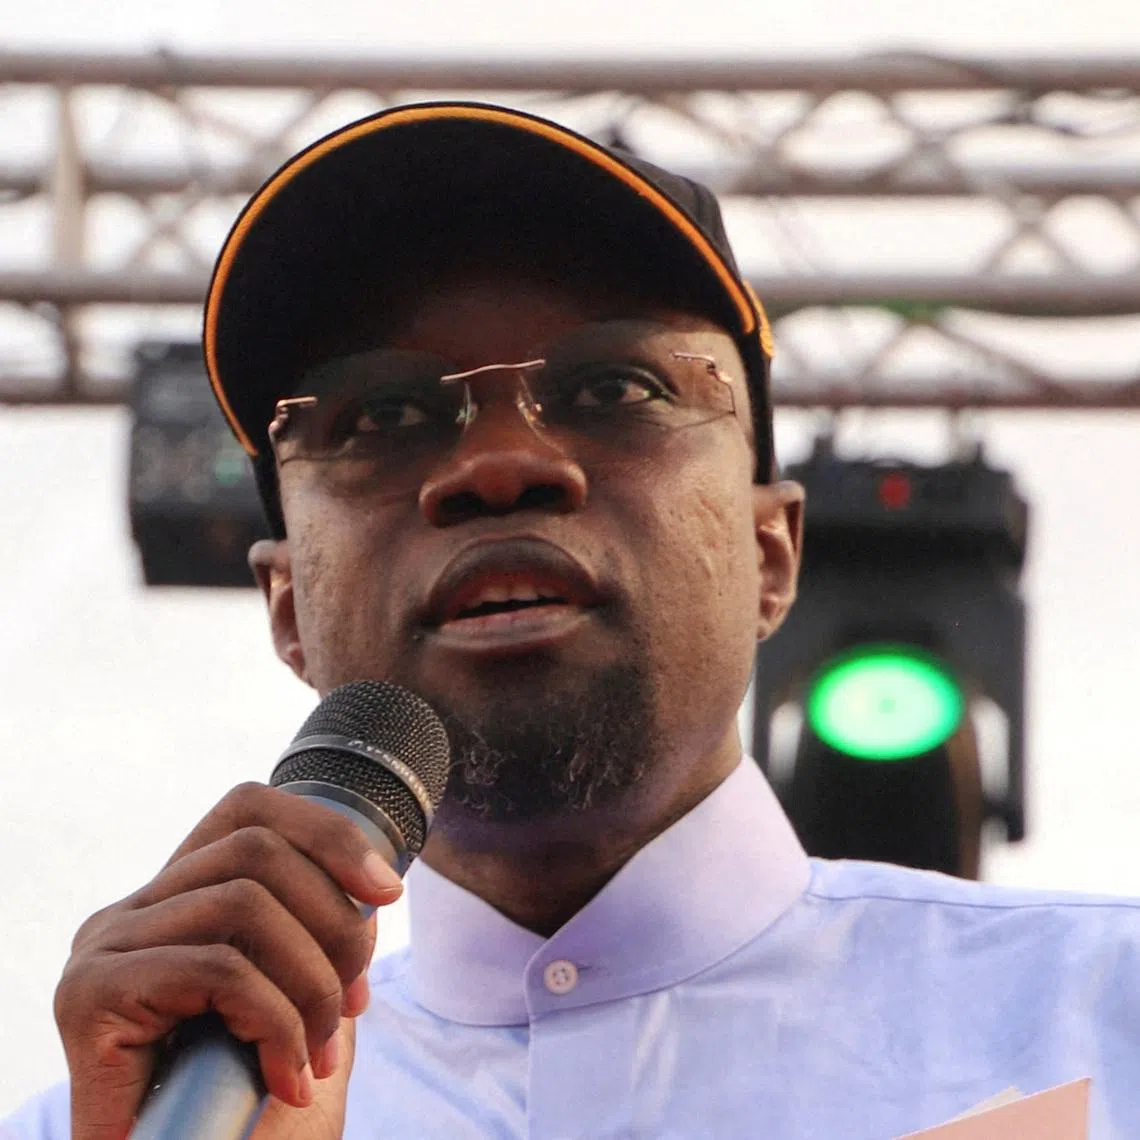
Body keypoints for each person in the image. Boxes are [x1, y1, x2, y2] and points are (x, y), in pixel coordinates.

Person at [4, 102, 1139, 1140]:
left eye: (616, 391)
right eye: (381, 415)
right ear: (290, 606)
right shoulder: (120, 1122)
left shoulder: (1103, 1018)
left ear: (768, 552)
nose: (498, 464)